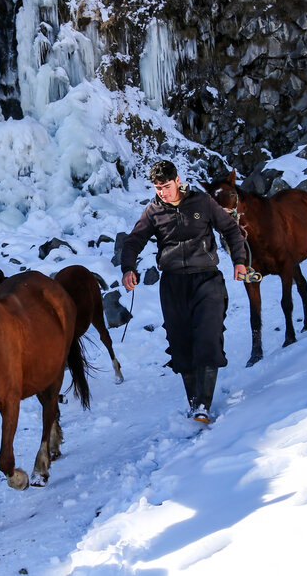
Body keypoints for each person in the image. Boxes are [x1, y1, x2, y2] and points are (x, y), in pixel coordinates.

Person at [119, 160, 247, 423]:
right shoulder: (153, 212)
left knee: (208, 337)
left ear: (177, 181)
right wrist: (128, 268)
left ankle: (203, 405)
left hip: (207, 279)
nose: (162, 192)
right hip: (173, 284)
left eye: (166, 186)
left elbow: (230, 229)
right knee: (181, 344)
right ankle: (194, 402)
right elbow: (133, 241)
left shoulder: (202, 202)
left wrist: (239, 260)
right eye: (157, 188)